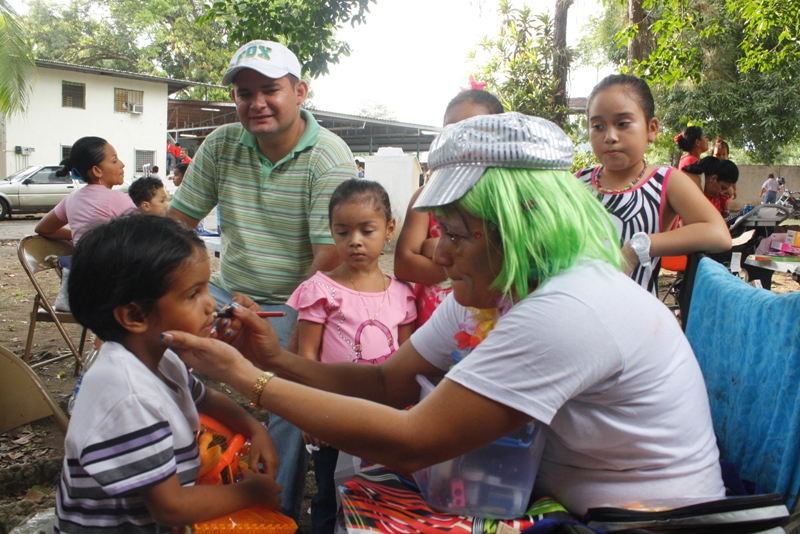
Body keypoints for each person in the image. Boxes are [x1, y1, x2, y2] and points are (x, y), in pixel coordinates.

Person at [162, 112, 726, 520]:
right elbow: (387, 381)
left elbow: (413, 440)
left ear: (519, 226)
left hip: (643, 522)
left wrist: (246, 379)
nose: (438, 254)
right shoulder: (493, 288)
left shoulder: (569, 308)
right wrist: (275, 359)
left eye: (455, 233)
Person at [167, 39, 357, 520]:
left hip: (297, 300)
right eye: (245, 93)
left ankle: (278, 509)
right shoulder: (222, 144)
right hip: (227, 290)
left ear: (300, 92)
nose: (257, 103)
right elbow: (177, 224)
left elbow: (328, 259)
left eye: (270, 90)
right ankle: (179, 483)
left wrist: (277, 323)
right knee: (156, 347)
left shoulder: (328, 156)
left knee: (289, 394)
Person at [56, 214, 281, 533]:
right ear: (135, 315)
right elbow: (169, 506)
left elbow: (207, 399)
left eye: (207, 288)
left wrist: (255, 429)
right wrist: (251, 492)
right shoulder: (129, 396)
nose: (211, 305)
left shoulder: (160, 358)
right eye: (193, 294)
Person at [287, 179, 416, 533]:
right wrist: (310, 413)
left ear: (389, 229)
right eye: (342, 232)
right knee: (330, 495)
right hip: (334, 417)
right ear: (331, 231)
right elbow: (306, 356)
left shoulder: (403, 293)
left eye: (366, 230)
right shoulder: (320, 289)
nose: (354, 241)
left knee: (381, 493)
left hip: (385, 418)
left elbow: (407, 359)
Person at [577, 74, 730, 295]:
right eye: (598, 126)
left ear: (652, 128)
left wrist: (639, 246)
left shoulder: (665, 181)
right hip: (575, 308)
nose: (610, 136)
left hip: (634, 312)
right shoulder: (578, 181)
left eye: (622, 124)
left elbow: (718, 235)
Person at [394, 88, 503, 326]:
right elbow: (403, 265)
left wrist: (433, 252)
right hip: (431, 319)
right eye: (450, 132)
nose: (459, 141)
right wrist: (470, 264)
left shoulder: (502, 200)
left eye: (472, 132)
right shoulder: (426, 197)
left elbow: (502, 265)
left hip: (488, 321)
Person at [35, 136, 137, 245]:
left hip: (81, 256)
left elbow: (43, 229)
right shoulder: (117, 199)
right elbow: (144, 237)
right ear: (97, 171)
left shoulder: (72, 199)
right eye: (114, 161)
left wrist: (79, 236)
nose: (122, 164)